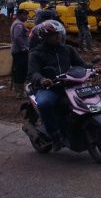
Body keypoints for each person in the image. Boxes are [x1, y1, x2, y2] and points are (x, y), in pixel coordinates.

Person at [27, 20, 89, 150]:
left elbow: (81, 64)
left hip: (68, 85)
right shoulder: (36, 54)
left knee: (87, 98)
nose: (58, 37)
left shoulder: (67, 49)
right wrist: (42, 80)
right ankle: (55, 135)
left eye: (59, 34)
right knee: (44, 103)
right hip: (49, 88)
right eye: (55, 35)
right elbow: (33, 73)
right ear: (45, 37)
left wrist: (94, 68)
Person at [10, 8, 30, 98]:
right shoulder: (19, 24)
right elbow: (17, 37)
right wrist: (24, 48)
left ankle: (19, 91)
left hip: (18, 51)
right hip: (20, 52)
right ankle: (20, 93)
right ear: (20, 15)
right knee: (20, 71)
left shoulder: (18, 23)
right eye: (25, 15)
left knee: (19, 70)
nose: (26, 17)